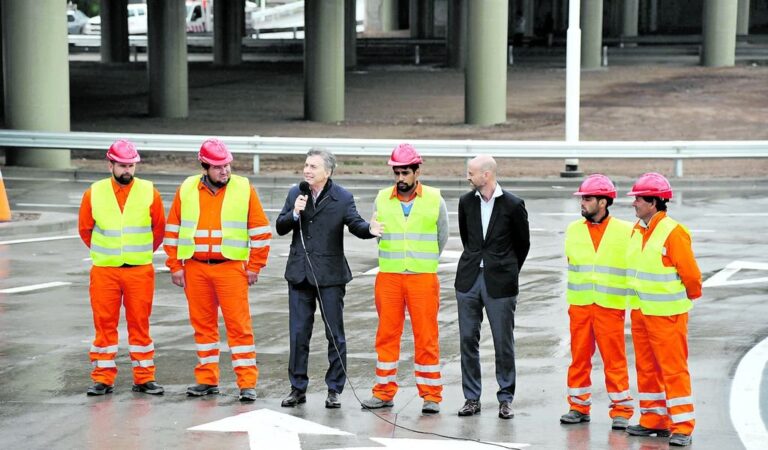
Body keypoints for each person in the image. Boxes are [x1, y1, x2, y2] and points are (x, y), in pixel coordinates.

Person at [163, 138, 272, 402]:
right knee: (203, 326)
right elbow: (173, 230)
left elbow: (260, 231)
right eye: (218, 167)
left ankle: (247, 383)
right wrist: (175, 265)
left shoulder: (243, 188)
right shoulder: (187, 188)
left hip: (230, 268)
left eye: (227, 165)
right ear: (205, 167)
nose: (224, 171)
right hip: (195, 268)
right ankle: (206, 379)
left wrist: (255, 265)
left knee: (239, 326)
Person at [275, 149, 382, 409]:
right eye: (306, 165)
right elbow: (280, 226)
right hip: (299, 274)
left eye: (313, 166)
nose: (307, 170)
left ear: (328, 171)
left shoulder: (342, 197)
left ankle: (334, 389)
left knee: (335, 334)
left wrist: (370, 229)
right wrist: (294, 213)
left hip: (330, 276)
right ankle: (297, 388)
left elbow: (355, 224)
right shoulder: (296, 193)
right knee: (298, 334)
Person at [361, 143, 449, 414]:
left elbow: (442, 236)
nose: (400, 178)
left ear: (417, 172)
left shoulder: (434, 199)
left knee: (426, 336)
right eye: (396, 173)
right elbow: (377, 235)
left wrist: (423, 260)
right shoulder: (381, 198)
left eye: (405, 173)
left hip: (422, 277)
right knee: (386, 335)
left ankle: (431, 395)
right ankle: (383, 392)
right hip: (389, 276)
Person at [78, 139, 166, 396]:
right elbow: (85, 229)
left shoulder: (149, 191)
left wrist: (139, 252)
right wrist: (108, 252)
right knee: (104, 324)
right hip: (105, 270)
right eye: (122, 165)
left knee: (140, 324)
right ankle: (102, 378)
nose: (127, 170)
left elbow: (158, 229)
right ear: (111, 165)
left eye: (131, 165)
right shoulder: (94, 192)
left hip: (139, 270)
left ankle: (144, 378)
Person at [624, 173, 701, 447]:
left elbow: (691, 275)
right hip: (642, 312)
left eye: (638, 199)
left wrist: (689, 296)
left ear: (653, 202)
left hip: (667, 314)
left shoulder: (673, 232)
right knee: (646, 368)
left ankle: (682, 426)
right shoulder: (638, 229)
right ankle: (653, 419)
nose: (634, 203)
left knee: (673, 370)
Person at [454, 155, 530, 420]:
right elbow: (467, 239)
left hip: (500, 283)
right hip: (469, 280)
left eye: (471, 172)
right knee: (467, 340)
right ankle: (471, 398)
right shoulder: (466, 202)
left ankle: (505, 398)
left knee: (502, 342)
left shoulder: (513, 204)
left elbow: (523, 244)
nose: (468, 177)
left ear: (486, 175)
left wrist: (507, 270)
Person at [559, 174, 634, 429]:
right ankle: (578, 406)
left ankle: (621, 410)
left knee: (614, 360)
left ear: (603, 202)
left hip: (609, 306)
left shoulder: (626, 231)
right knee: (579, 359)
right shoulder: (574, 229)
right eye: (582, 198)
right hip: (580, 306)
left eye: (587, 199)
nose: (582, 203)